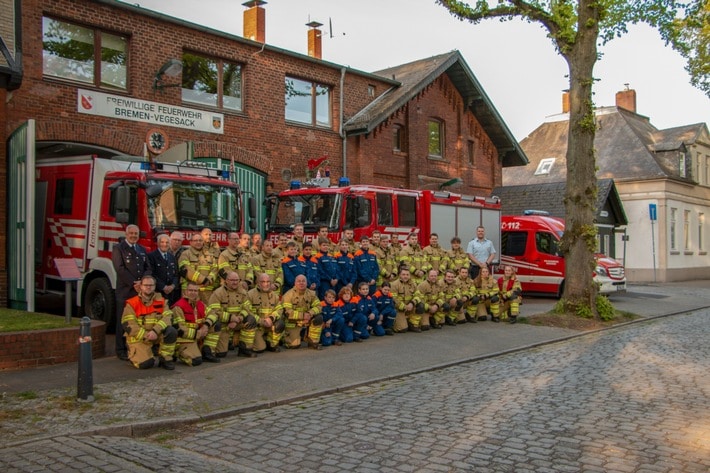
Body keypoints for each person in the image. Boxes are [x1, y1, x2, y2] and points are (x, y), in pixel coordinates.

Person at [112, 224, 151, 361]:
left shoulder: (141, 249)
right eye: (132, 233)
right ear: (126, 233)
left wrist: (143, 282)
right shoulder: (118, 248)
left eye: (136, 234)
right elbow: (120, 268)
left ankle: (132, 347)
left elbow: (147, 267)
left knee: (136, 321)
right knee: (122, 321)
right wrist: (134, 282)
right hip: (125, 291)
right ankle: (120, 349)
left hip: (138, 292)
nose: (134, 236)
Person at [120, 275, 177, 370]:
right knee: (146, 364)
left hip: (155, 334)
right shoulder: (132, 303)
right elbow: (129, 325)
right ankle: (134, 354)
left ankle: (166, 358)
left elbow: (168, 317)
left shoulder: (161, 301)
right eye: (146, 285)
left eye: (151, 285)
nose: (148, 287)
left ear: (155, 286)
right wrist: (147, 335)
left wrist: (155, 331)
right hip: (139, 338)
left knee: (171, 331)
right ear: (141, 286)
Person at [171, 281, 221, 365]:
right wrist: (198, 333)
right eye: (190, 290)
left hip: (197, 336)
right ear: (185, 291)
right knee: (196, 361)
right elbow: (181, 329)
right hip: (184, 339)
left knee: (216, 324)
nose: (193, 293)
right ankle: (177, 352)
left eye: (195, 291)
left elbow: (213, 314)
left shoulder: (200, 304)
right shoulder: (178, 307)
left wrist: (205, 325)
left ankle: (207, 352)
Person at [206, 271, 248, 357]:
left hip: (237, 323)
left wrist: (238, 319)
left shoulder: (243, 292)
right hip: (223, 326)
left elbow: (247, 309)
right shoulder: (218, 293)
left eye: (237, 280)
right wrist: (231, 318)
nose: (235, 282)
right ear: (226, 281)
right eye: (232, 280)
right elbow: (215, 311)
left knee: (250, 320)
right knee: (221, 354)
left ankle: (245, 349)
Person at [281, 274, 323, 349]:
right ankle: (286, 339)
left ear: (307, 283)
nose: (301, 283)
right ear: (295, 283)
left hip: (307, 319)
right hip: (293, 322)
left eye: (303, 281)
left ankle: (312, 341)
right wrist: (303, 315)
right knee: (294, 346)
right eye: (299, 281)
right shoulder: (288, 295)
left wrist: (310, 313)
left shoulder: (311, 293)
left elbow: (319, 306)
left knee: (319, 318)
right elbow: (287, 312)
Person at [246, 273, 285, 352]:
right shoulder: (250, 294)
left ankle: (271, 343)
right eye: (263, 282)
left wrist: (271, 318)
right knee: (260, 349)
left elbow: (279, 309)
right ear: (258, 283)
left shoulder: (274, 295)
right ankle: (261, 342)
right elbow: (248, 311)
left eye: (268, 282)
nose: (266, 284)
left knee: (280, 323)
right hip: (257, 326)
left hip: (270, 324)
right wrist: (262, 321)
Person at [178, 233, 217, 304]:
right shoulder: (185, 254)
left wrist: (209, 279)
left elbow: (215, 269)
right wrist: (203, 280)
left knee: (206, 312)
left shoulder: (210, 255)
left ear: (203, 242)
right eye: (195, 240)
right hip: (189, 291)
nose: (198, 242)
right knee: (189, 311)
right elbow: (186, 270)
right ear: (191, 242)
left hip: (207, 292)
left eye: (200, 240)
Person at [148, 234, 179, 307]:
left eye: (167, 242)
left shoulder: (172, 257)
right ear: (158, 243)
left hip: (171, 293)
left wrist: (173, 286)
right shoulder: (151, 256)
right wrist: (163, 287)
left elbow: (176, 274)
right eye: (162, 242)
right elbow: (152, 274)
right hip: (158, 292)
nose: (164, 244)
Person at [390, 266, 422, 333]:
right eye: (403, 274)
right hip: (399, 309)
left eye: (407, 275)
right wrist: (405, 307)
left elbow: (418, 295)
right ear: (399, 275)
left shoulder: (413, 283)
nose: (405, 276)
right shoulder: (394, 284)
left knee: (421, 306)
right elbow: (394, 299)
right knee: (402, 329)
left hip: (410, 307)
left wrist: (412, 303)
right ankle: (394, 324)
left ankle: (412, 324)